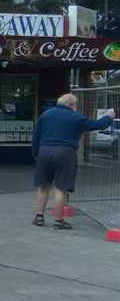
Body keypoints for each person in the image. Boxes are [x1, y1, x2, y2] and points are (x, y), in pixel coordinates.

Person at [31, 94, 115, 229]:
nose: (76, 108)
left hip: (44, 151)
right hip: (65, 152)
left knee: (43, 186)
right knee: (60, 188)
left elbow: (36, 134)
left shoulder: (45, 115)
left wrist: (36, 153)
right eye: (75, 105)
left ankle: (39, 217)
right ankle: (58, 221)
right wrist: (109, 116)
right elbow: (98, 125)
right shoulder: (76, 117)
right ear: (71, 104)